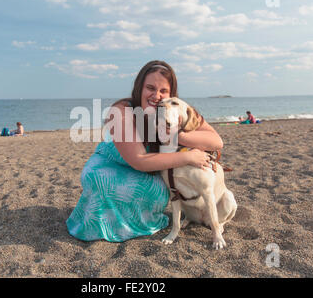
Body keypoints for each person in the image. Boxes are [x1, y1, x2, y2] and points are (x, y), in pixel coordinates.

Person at [66, 60, 223, 242]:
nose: (156, 95)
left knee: (159, 192)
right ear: (139, 88)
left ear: (171, 94)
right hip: (113, 163)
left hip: (149, 168)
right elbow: (138, 160)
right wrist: (188, 156)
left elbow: (216, 141)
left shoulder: (176, 109)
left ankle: (138, 221)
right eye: (150, 88)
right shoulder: (121, 110)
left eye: (163, 91)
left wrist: (178, 136)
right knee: (103, 183)